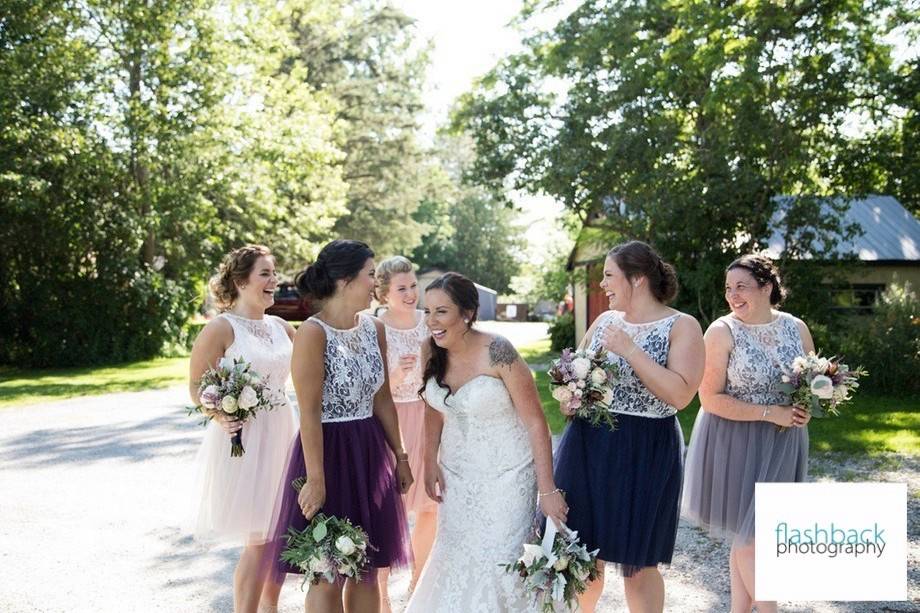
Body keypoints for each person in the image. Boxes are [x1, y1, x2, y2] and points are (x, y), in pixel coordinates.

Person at [553, 240, 705, 613]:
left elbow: (681, 395)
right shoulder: (605, 321)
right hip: (588, 443)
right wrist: (570, 392)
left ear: (637, 279)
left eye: (608, 275)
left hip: (646, 447)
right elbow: (575, 376)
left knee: (639, 562)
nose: (602, 284)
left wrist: (631, 350)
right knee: (580, 551)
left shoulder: (681, 325)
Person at [263, 239, 412, 613]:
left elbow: (382, 398)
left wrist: (401, 455)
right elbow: (309, 411)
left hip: (370, 451)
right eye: (369, 275)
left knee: (366, 569)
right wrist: (316, 479)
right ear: (345, 281)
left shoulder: (374, 328)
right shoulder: (313, 334)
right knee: (327, 569)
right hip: (327, 454)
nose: (374, 284)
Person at [405, 272, 567, 613]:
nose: (431, 321)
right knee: (455, 556)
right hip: (457, 475)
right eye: (427, 311)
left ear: (467, 313)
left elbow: (537, 422)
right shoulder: (429, 350)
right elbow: (433, 407)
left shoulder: (498, 351)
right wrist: (430, 460)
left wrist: (548, 490)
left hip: (508, 477)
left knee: (500, 562)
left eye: (441, 312)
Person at [682, 254, 813, 613]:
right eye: (728, 288)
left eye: (741, 286)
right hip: (733, 440)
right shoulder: (721, 332)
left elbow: (812, 385)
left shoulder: (796, 328)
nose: (732, 295)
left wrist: (805, 409)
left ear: (767, 287)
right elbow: (708, 398)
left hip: (784, 443)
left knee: (756, 538)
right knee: (749, 540)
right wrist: (773, 413)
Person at [187, 245, 296, 613]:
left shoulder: (282, 327)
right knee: (257, 539)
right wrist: (220, 414)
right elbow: (197, 386)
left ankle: (271, 609)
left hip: (284, 431)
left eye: (274, 273)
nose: (274, 281)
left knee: (280, 536)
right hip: (246, 439)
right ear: (240, 280)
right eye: (265, 273)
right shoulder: (221, 328)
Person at [373, 256, 435, 610]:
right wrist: (395, 375)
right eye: (402, 288)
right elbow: (370, 388)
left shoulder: (429, 323)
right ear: (383, 294)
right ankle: (380, 597)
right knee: (388, 510)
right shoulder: (374, 327)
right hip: (389, 421)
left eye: (413, 286)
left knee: (430, 508)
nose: (411, 293)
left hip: (428, 417)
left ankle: (417, 585)